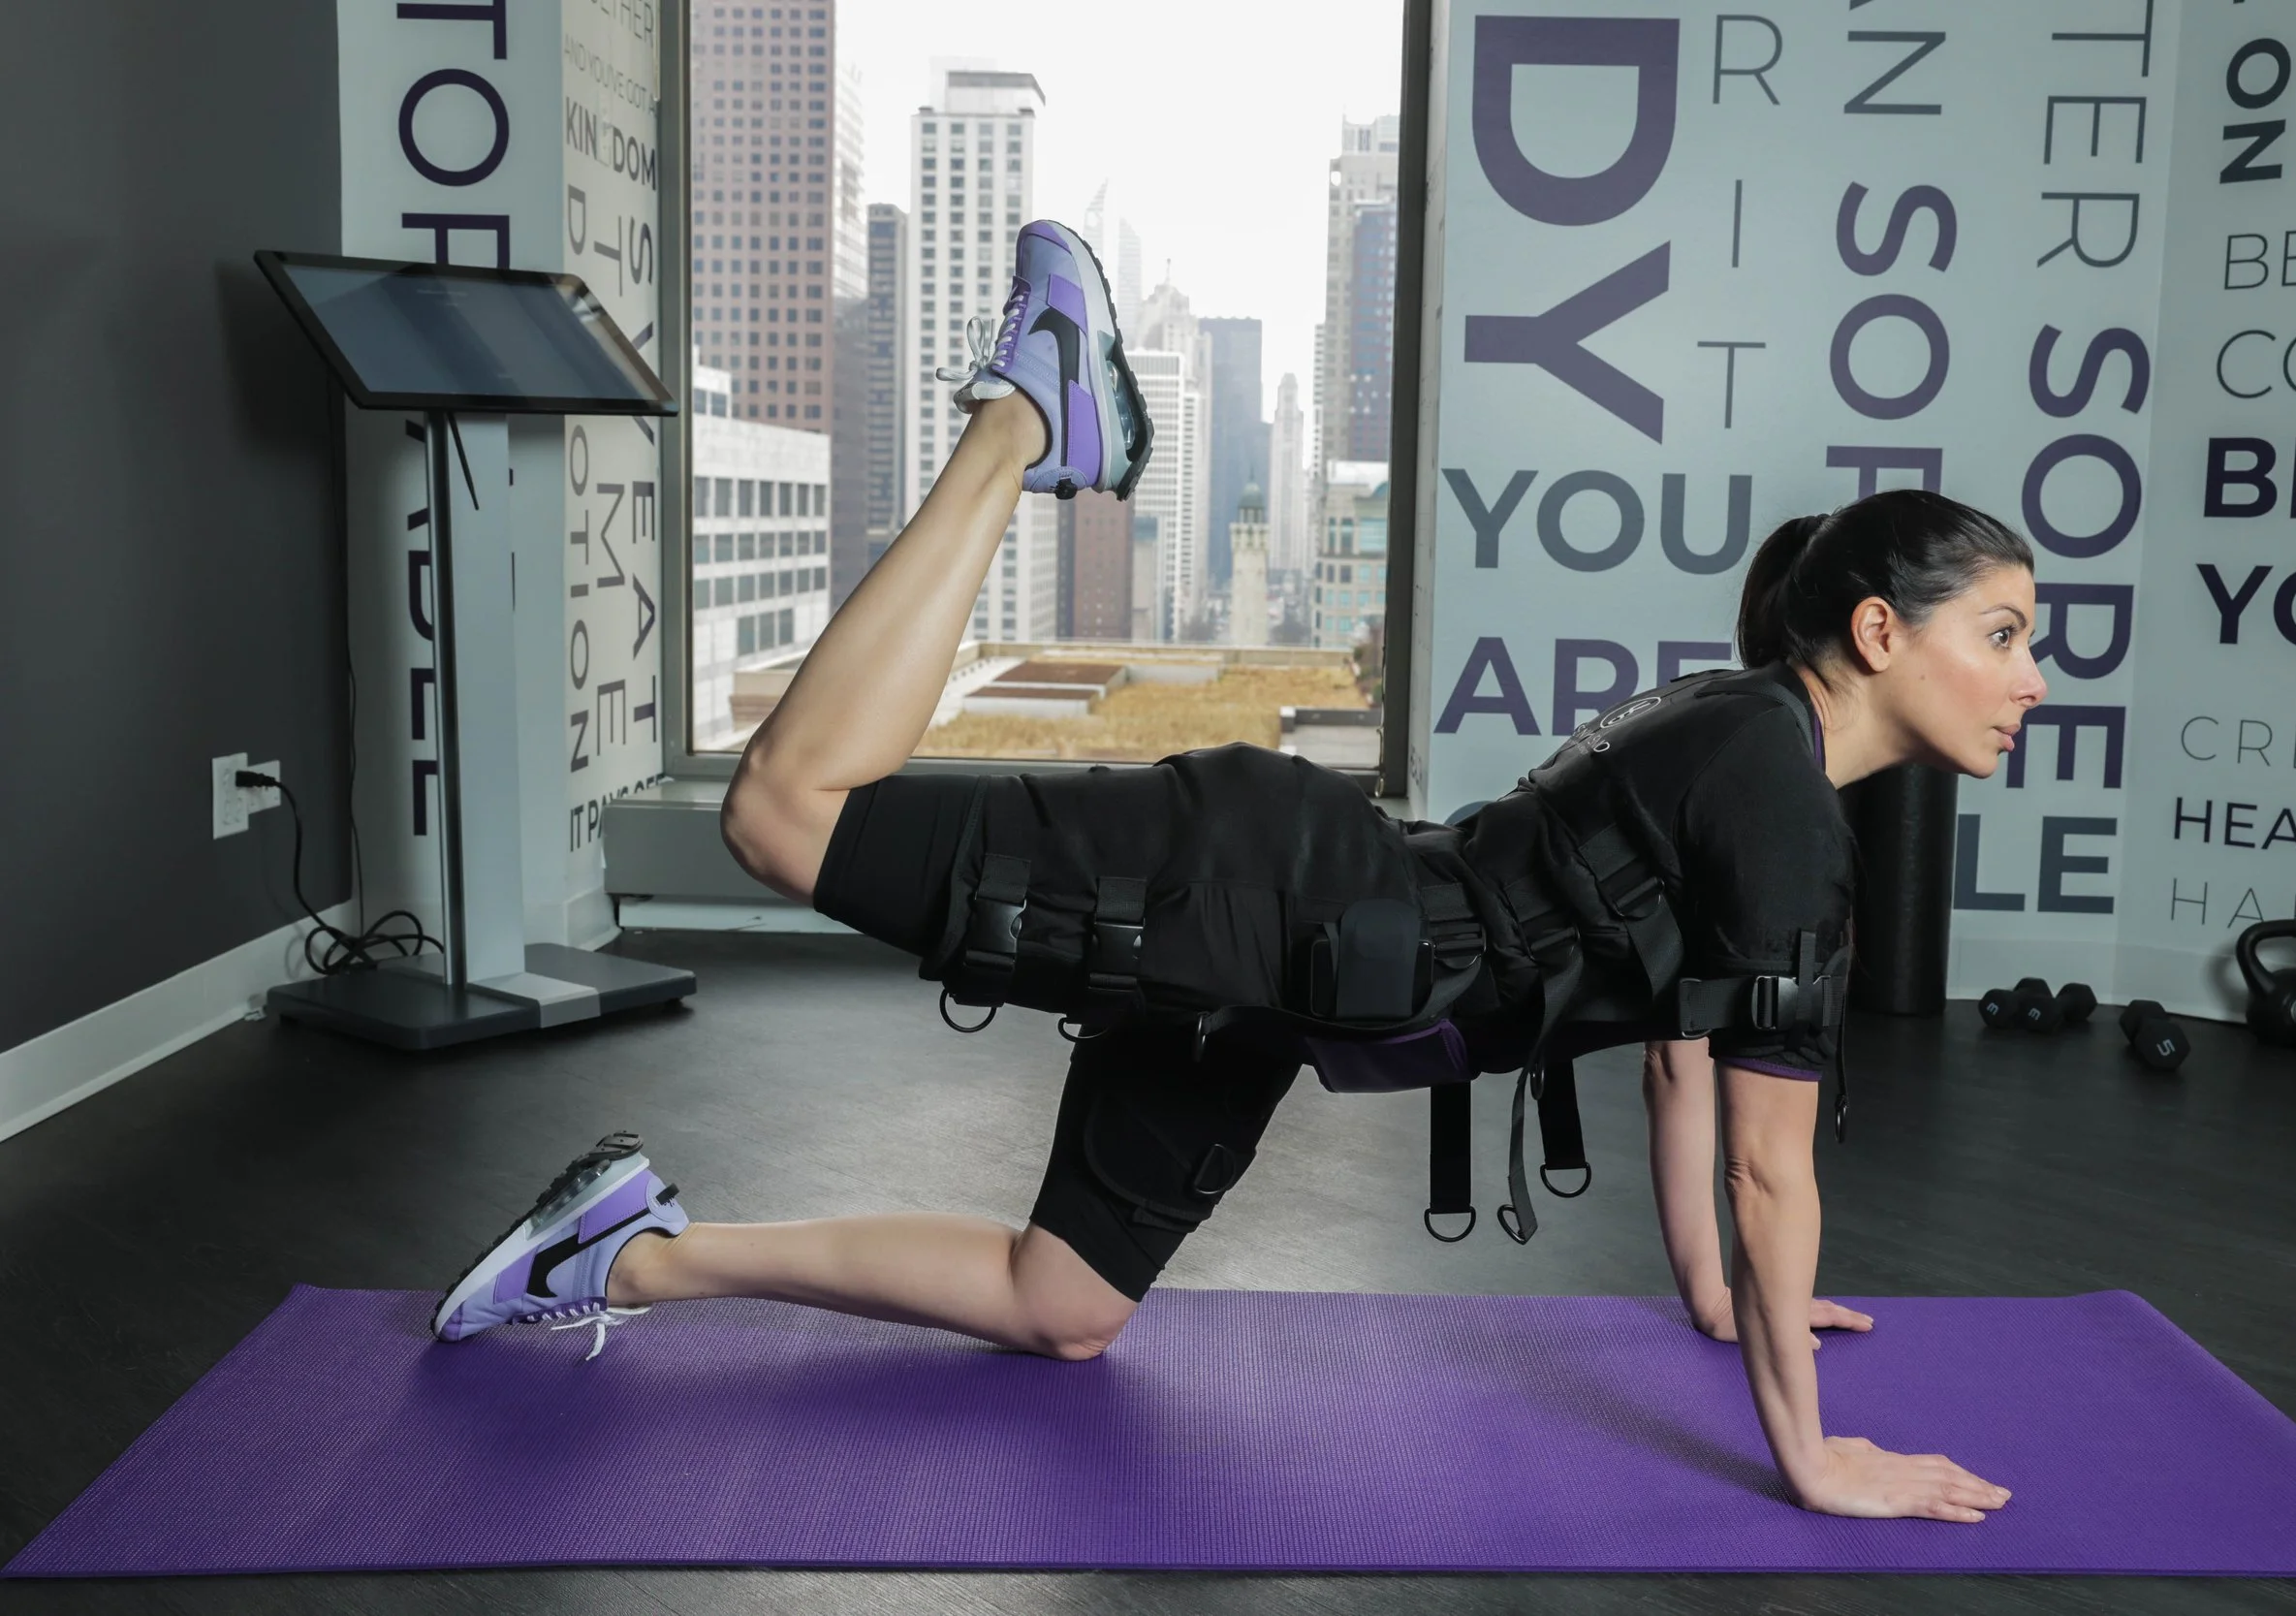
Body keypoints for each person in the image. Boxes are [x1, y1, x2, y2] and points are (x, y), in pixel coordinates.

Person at [431, 220, 2039, 1527]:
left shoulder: (1753, 740)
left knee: (1062, 1301)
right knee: (783, 813)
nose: (2032, 677)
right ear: (1883, 633)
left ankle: (624, 1250)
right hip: (1261, 890)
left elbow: (1687, 1060)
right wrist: (1814, 1460)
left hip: (1275, 986)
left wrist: (1711, 1301)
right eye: (2005, 635)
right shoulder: (1778, 786)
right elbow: (1773, 1170)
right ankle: (1026, 406)